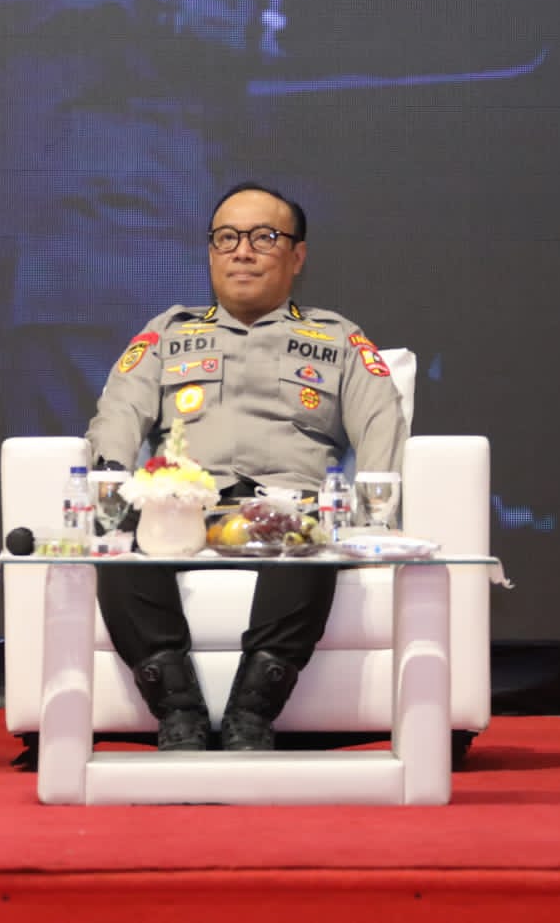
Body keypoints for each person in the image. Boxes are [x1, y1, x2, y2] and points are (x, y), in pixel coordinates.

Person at [85, 181, 406, 751]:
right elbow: (118, 411)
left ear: (297, 256)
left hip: (288, 509)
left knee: (312, 540)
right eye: (227, 238)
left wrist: (368, 518)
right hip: (184, 508)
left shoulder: (338, 339)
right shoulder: (168, 333)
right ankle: (177, 709)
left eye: (264, 237)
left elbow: (381, 421)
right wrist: (113, 479)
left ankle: (252, 712)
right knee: (116, 543)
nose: (242, 252)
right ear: (210, 251)